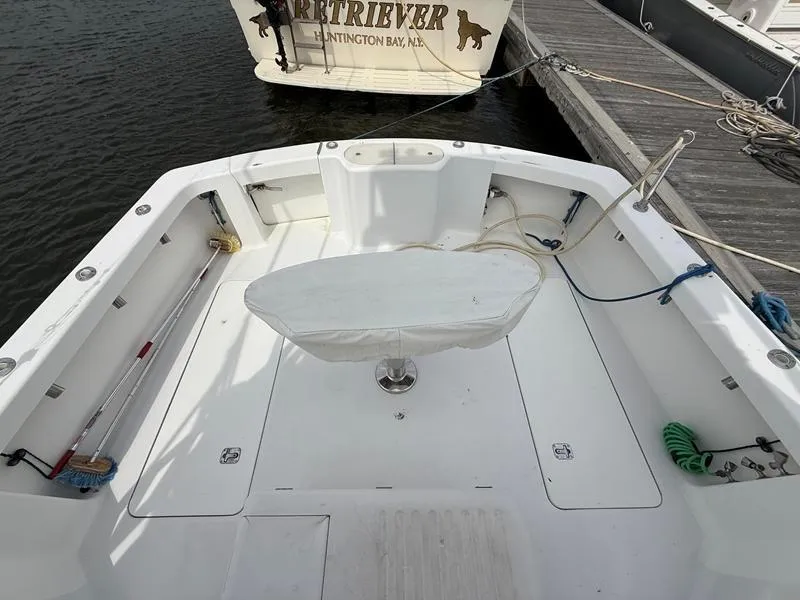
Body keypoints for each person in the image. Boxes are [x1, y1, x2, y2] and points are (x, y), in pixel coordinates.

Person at [255, 0, 289, 72]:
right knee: (278, 37)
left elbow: (264, 3)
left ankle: (283, 58)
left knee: (278, 36)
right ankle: (283, 57)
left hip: (272, 15)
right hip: (274, 13)